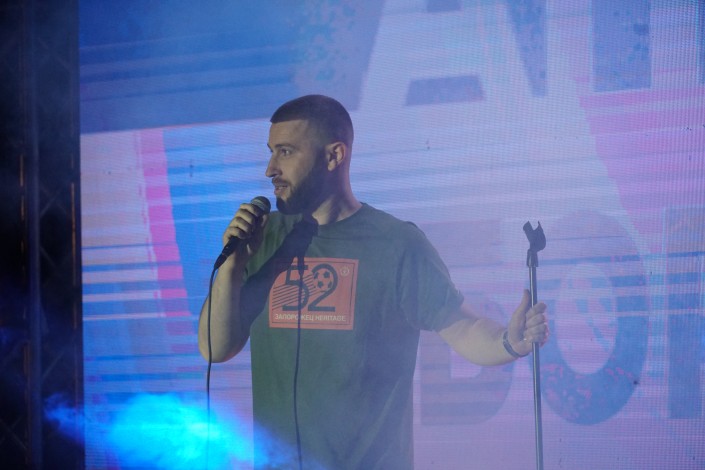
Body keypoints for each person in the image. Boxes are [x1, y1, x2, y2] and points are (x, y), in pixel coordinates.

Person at [198, 95, 549, 469]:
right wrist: (233, 265)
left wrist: (509, 341)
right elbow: (215, 348)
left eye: (285, 152)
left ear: (334, 156)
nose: (271, 169)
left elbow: (462, 327)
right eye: (271, 152)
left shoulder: (396, 243)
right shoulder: (263, 239)